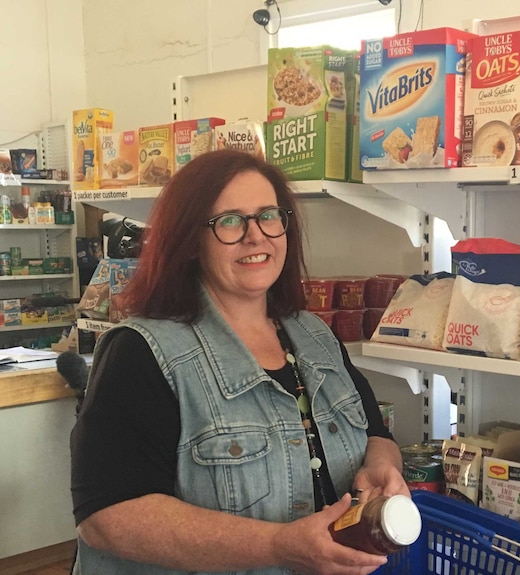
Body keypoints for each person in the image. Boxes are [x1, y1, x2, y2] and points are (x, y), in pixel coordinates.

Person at [70, 149, 410, 575]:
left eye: (268, 215)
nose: (256, 236)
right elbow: (107, 518)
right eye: (229, 221)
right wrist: (279, 545)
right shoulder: (141, 353)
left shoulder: (314, 335)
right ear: (191, 241)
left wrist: (383, 467)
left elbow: (375, 433)